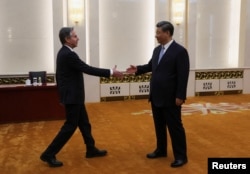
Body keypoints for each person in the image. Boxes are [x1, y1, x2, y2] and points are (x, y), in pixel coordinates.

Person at [40, 27, 123, 167]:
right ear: (67, 39)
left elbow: (59, 76)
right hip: (73, 97)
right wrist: (110, 72)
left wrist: (62, 96)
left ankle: (90, 149)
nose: (78, 38)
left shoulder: (64, 53)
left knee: (84, 124)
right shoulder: (68, 54)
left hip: (74, 97)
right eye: (75, 36)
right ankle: (48, 153)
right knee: (70, 126)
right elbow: (87, 68)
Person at [126, 21, 190, 168]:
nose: (156, 35)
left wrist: (180, 96)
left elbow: (183, 76)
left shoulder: (180, 51)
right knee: (159, 125)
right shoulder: (157, 50)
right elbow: (151, 66)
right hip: (156, 96)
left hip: (171, 97)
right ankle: (161, 150)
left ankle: (181, 156)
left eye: (158, 33)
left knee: (175, 127)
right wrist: (137, 69)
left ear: (167, 33)